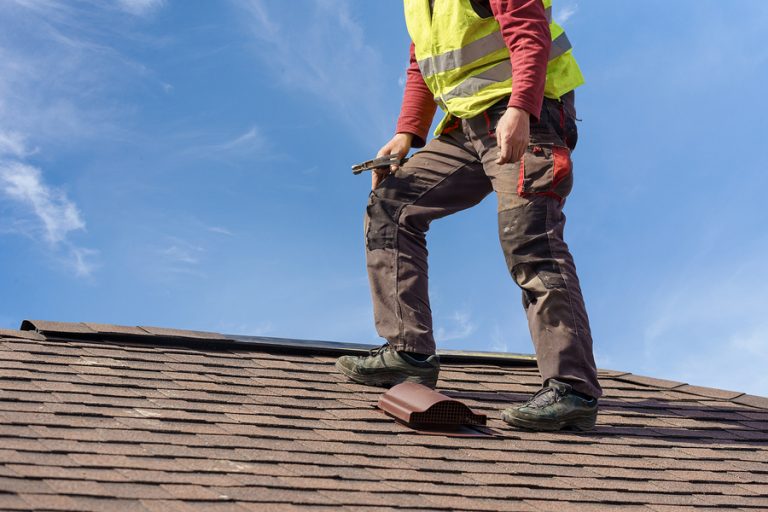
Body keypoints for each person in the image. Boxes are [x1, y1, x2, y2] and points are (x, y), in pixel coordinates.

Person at [336, 0, 602, 431]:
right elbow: (421, 64)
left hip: (527, 117)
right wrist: (406, 133)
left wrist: (521, 107)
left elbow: (530, 32)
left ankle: (573, 390)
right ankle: (409, 353)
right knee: (391, 205)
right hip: (468, 129)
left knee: (529, 239)